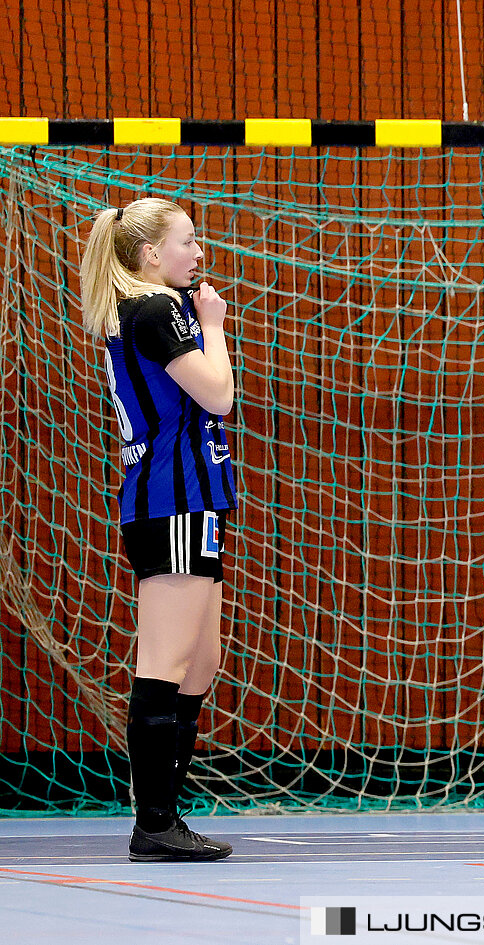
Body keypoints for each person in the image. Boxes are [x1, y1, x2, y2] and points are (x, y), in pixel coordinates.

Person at [79, 198, 239, 861]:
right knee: (165, 664)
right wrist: (214, 325)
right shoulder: (155, 309)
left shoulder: (146, 309)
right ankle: (154, 821)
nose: (198, 253)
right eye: (188, 242)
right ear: (150, 255)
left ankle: (166, 814)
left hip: (196, 500)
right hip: (170, 501)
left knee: (202, 664)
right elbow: (219, 394)